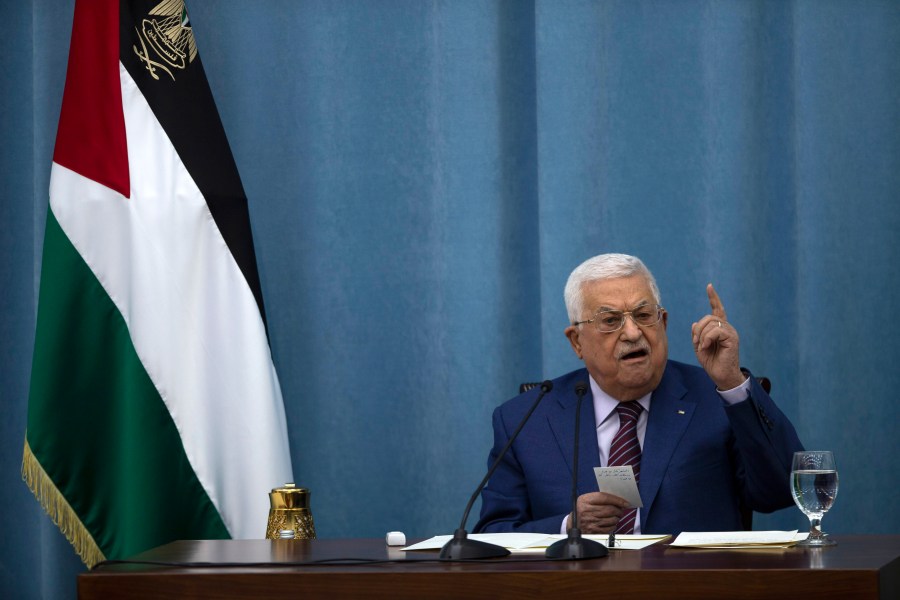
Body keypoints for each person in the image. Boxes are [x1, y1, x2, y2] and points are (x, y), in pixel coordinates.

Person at [474, 253, 804, 535]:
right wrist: (566, 527)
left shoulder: (717, 399)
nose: (632, 333)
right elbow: (493, 535)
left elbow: (781, 492)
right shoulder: (526, 420)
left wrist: (732, 382)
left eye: (644, 315)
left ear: (663, 322)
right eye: (610, 320)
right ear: (577, 342)